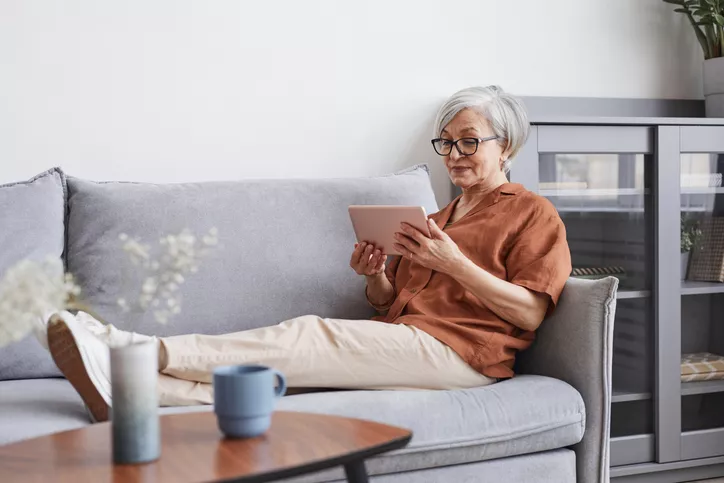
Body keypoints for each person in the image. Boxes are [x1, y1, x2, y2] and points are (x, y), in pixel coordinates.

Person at [47, 85, 572, 423]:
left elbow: (529, 310)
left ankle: (130, 349)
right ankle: (133, 393)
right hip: (408, 339)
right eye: (446, 143)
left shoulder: (532, 212)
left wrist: (452, 263)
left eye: (469, 142)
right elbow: (391, 305)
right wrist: (376, 280)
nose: (454, 155)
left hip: (466, 356)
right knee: (284, 381)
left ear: (507, 146)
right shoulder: (433, 220)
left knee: (310, 333)